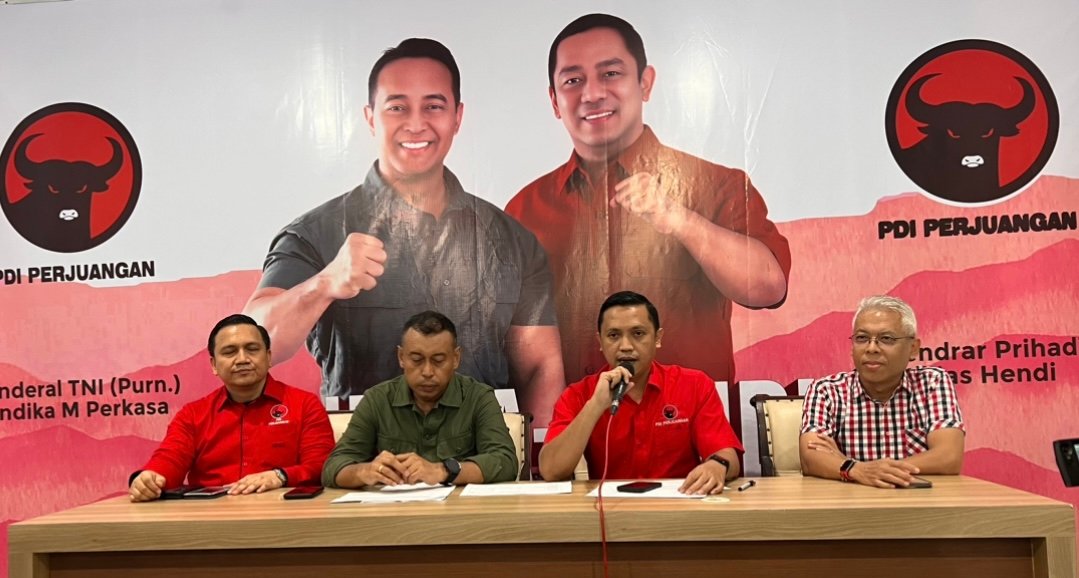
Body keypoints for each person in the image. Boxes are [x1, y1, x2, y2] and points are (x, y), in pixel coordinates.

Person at [244, 38, 563, 426]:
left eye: (433, 106)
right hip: (366, 457)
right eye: (397, 107)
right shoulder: (314, 234)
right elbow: (254, 341)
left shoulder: (513, 241)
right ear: (370, 117)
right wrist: (325, 283)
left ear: (457, 117)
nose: (415, 123)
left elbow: (540, 368)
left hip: (482, 456)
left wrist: (537, 456)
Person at [505, 13, 791, 387]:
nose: (592, 94)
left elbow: (768, 287)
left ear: (645, 82)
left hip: (686, 421)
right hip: (576, 421)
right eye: (573, 81)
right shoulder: (524, 211)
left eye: (611, 73)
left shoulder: (718, 184)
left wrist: (680, 220)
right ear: (555, 101)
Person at [539, 291, 742, 495]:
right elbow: (551, 471)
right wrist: (595, 405)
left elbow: (728, 457)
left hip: (679, 505)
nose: (626, 347)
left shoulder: (694, 385)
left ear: (657, 338)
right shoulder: (578, 395)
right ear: (600, 341)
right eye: (613, 335)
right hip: (609, 509)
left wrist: (717, 465)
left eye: (638, 333)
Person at [128, 314, 334, 501]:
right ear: (214, 365)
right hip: (210, 519)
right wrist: (150, 478)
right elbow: (170, 458)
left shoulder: (305, 405)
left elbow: (321, 466)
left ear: (269, 357)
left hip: (282, 514)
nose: (242, 359)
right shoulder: (192, 414)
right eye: (230, 352)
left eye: (252, 349)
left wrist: (280, 476)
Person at [323, 311, 518, 488]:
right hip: (395, 510)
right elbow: (333, 467)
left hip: (459, 511)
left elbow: (505, 462)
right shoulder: (377, 399)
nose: (427, 371)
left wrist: (443, 471)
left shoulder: (478, 397)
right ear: (401, 357)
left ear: (456, 358)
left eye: (438, 360)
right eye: (416, 360)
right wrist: (363, 471)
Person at [800, 295, 965, 488]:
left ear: (913, 348)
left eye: (886, 339)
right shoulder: (827, 390)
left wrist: (862, 469)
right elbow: (811, 457)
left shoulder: (932, 382)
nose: (871, 348)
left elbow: (948, 456)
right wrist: (858, 470)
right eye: (862, 338)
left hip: (919, 500)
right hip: (852, 500)